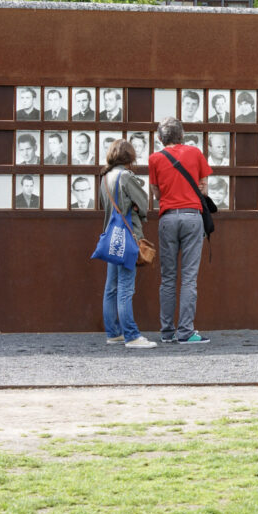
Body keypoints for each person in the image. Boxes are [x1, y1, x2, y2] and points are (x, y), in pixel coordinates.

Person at [148, 116, 212, 344]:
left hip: (168, 218)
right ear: (182, 135)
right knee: (188, 278)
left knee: (168, 278)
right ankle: (186, 332)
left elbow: (156, 194)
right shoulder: (195, 153)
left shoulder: (155, 158)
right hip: (191, 216)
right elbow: (204, 188)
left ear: (159, 138)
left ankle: (167, 332)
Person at [99, 139, 156, 348]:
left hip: (111, 237)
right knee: (125, 288)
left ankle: (113, 333)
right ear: (130, 156)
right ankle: (131, 336)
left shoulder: (104, 177)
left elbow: (104, 206)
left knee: (111, 287)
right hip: (128, 236)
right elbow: (143, 205)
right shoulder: (126, 176)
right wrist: (134, 208)